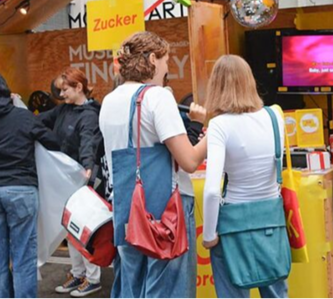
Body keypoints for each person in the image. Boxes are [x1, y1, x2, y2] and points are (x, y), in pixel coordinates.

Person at [100, 31, 207, 299]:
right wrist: (215, 130)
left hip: (126, 211)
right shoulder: (157, 97)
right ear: (151, 59)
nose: (167, 68)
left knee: (131, 288)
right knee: (169, 290)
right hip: (165, 214)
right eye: (166, 60)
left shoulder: (109, 101)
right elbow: (190, 161)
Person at [202, 55, 288, 299]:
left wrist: (209, 236)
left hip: (232, 226)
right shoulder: (275, 117)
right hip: (271, 220)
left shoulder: (219, 125)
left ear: (216, 87)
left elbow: (211, 191)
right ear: (249, 81)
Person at [0, 71, 60, 299]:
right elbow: (52, 141)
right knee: (23, 257)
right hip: (21, 190)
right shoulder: (23, 117)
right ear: (6, 90)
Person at [40, 67, 104, 297]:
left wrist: (87, 167)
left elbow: (89, 142)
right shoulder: (63, 110)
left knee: (83, 229)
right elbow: (38, 121)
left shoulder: (89, 115)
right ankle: (78, 273)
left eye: (65, 89)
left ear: (79, 87)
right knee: (70, 229)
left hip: (81, 179)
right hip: (66, 180)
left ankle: (92, 277)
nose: (61, 94)